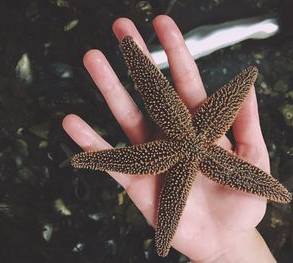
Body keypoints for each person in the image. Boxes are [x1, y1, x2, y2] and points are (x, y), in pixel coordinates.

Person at [62, 15, 276, 263]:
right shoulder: (203, 141)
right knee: (148, 78)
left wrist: (231, 243)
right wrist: (233, 245)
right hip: (198, 141)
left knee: (150, 83)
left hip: (192, 143)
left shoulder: (183, 156)